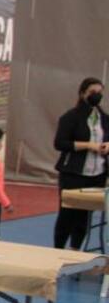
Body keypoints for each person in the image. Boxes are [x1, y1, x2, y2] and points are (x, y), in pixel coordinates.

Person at [52, 77, 109, 250]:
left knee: (84, 216)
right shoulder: (70, 117)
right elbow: (60, 143)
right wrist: (88, 145)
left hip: (97, 174)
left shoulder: (104, 118)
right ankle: (57, 250)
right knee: (67, 214)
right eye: (92, 92)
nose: (96, 96)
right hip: (73, 174)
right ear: (83, 93)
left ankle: (76, 250)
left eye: (99, 93)